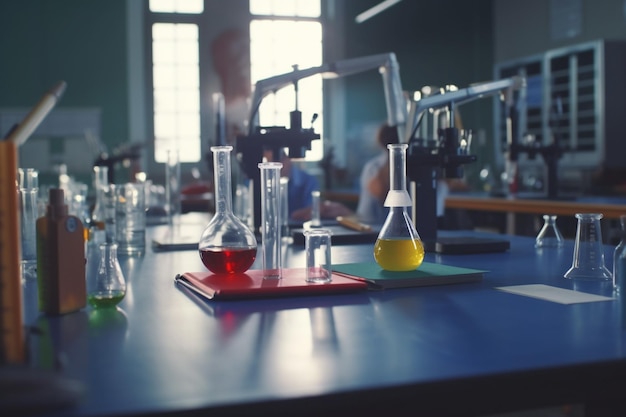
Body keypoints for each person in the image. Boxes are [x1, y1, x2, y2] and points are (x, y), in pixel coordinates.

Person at [269, 150, 353, 222]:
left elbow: (311, 212)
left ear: (288, 159)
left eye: (279, 161)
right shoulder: (265, 183)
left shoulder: (308, 181)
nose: (275, 166)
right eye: (269, 163)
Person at [356, 123, 399, 224]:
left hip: (376, 231)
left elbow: (365, 215)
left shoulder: (372, 167)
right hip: (379, 231)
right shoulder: (373, 168)